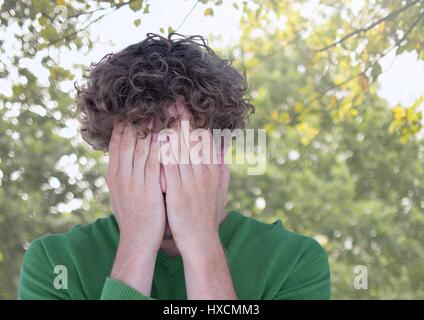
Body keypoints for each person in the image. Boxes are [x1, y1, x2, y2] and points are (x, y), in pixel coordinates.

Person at [18, 33, 330, 300]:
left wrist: (202, 245)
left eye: (181, 157)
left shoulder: (293, 262)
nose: (164, 183)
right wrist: (136, 245)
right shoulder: (54, 264)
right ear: (114, 165)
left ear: (220, 157)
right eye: (142, 159)